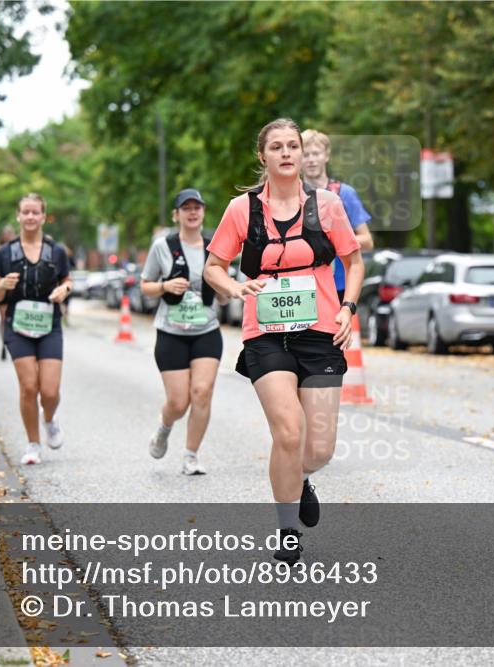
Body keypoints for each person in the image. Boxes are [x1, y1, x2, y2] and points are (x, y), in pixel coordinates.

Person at [204, 118, 364, 564]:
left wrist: (348, 309)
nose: (287, 153)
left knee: (318, 448)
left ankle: (301, 477)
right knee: (288, 431)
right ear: (263, 156)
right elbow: (213, 266)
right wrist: (233, 288)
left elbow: (354, 263)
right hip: (266, 333)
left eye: (293, 145)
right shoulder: (242, 209)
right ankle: (287, 528)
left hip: (320, 330)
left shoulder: (328, 205)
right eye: (277, 147)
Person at [141, 188, 228, 475]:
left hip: (206, 330)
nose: (192, 212)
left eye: (197, 207)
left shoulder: (215, 246)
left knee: (202, 392)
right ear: (176, 214)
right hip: (171, 331)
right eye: (186, 208)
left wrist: (224, 290)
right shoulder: (162, 246)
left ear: (203, 212)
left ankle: (190, 455)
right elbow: (145, 286)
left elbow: (227, 294)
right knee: (178, 402)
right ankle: (164, 427)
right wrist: (164, 286)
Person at [0, 193, 73, 466]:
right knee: (28, 386)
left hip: (49, 326)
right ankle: (33, 444)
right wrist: (3, 285)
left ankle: (49, 418)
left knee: (49, 391)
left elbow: (67, 280)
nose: (30, 217)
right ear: (18, 216)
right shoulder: (5, 253)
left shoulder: (56, 251)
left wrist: (64, 290)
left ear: (43, 217)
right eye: (25, 212)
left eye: (35, 212)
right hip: (18, 326)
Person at [301, 129, 374, 304]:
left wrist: (333, 240)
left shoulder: (345, 193)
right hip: (303, 284)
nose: (311, 159)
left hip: (338, 285)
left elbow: (367, 241)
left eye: (316, 153)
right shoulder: (291, 194)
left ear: (326, 156)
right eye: (305, 154)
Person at [0, 225, 17, 360]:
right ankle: (4, 343)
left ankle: (14, 342)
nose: (8, 236)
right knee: (4, 318)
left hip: (16, 288)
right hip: (2, 287)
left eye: (10, 233)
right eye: (5, 233)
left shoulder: (20, 249)